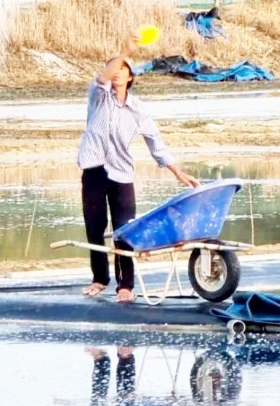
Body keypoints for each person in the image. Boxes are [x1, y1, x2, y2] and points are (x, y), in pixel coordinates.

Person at [77, 35, 198, 302]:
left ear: (130, 77)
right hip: (94, 169)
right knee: (95, 228)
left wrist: (177, 172)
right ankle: (99, 279)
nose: (117, 72)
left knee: (125, 230)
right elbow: (101, 79)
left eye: (123, 69)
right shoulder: (98, 97)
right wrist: (124, 52)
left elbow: (156, 142)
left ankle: (126, 285)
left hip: (122, 173)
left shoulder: (137, 109)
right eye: (114, 68)